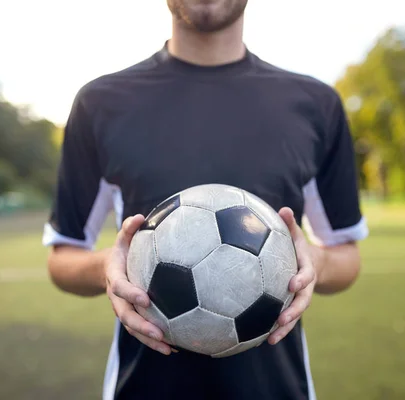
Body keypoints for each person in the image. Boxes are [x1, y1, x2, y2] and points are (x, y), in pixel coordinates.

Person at [43, 0, 368, 399]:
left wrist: (312, 262)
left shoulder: (315, 105)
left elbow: (347, 257)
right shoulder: (101, 103)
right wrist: (108, 269)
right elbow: (63, 259)